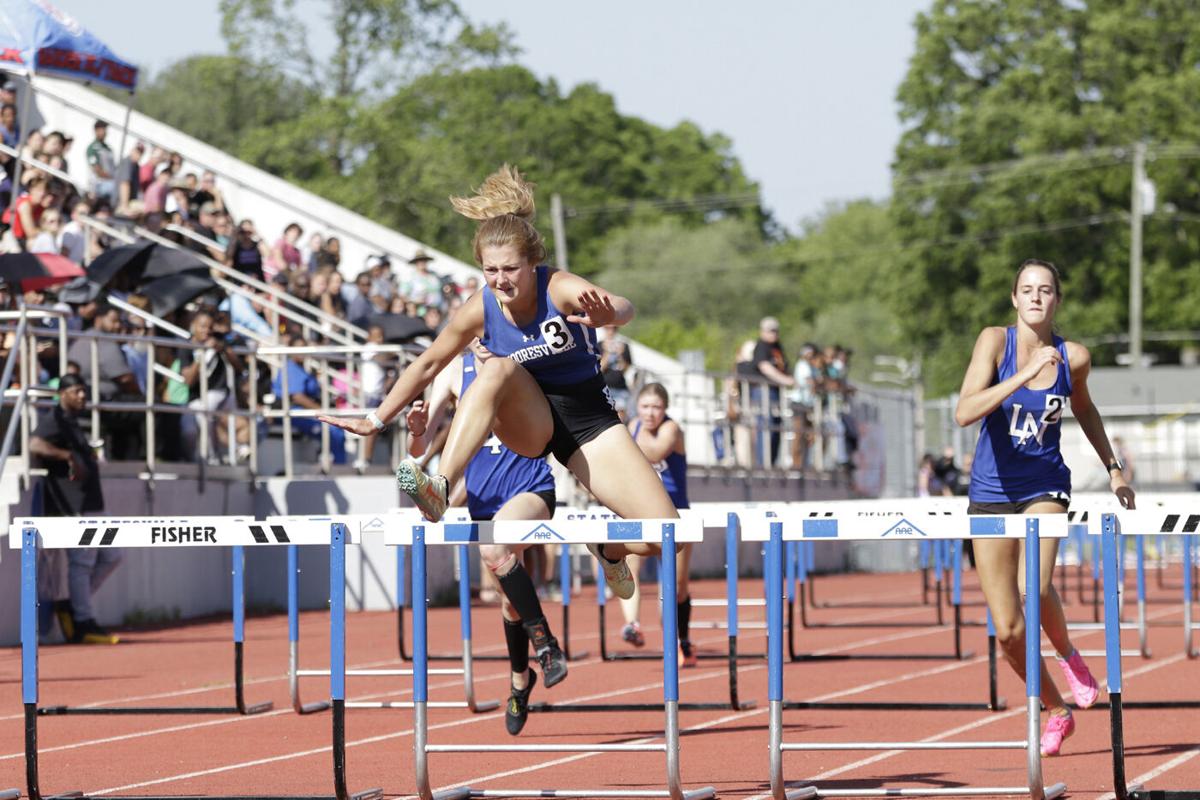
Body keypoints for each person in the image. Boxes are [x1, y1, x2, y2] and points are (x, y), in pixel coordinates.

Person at [320, 164, 678, 604]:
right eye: (490, 270)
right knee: (498, 369)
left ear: (533, 265)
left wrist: (611, 314)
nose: (501, 280)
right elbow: (430, 362)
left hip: (589, 423)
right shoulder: (481, 307)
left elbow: (623, 305)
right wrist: (376, 418)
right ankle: (440, 486)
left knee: (669, 536)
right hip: (528, 420)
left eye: (510, 269)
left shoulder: (558, 288)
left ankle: (608, 546)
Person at [955, 258, 1135, 757]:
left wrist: (1115, 468)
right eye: (1027, 289)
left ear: (1057, 300)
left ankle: (1068, 655)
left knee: (1032, 588)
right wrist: (1024, 374)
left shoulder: (1074, 356)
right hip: (990, 492)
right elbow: (965, 411)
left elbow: (1085, 408)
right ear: (1014, 299)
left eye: (1046, 289)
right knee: (1008, 632)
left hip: (1045, 488)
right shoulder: (995, 342)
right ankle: (1057, 710)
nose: (1036, 297)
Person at [407, 344, 566, 735]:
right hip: (484, 499)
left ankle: (545, 644)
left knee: (497, 547)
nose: (482, 338)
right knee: (510, 601)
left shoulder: (522, 362)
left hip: (530, 488)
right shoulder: (452, 373)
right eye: (474, 330)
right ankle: (519, 679)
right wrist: (415, 432)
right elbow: (419, 449)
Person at [29, 374, 120, 644]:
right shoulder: (54, 419)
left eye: (84, 391)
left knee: (113, 555)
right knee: (82, 562)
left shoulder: (72, 421)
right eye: (77, 391)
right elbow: (34, 443)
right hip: (74, 505)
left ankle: (71, 606)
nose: (82, 396)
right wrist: (67, 455)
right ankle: (82, 621)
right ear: (62, 393)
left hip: (92, 502)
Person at [623, 382, 697, 666]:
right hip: (642, 511)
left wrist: (619, 436)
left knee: (676, 584)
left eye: (656, 407)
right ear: (637, 407)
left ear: (665, 409)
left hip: (676, 515)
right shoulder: (631, 426)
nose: (651, 413)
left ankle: (681, 639)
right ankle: (634, 624)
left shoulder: (671, 429)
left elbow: (654, 453)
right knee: (630, 568)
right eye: (645, 407)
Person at [751, 317, 794, 468]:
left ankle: (772, 462)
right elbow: (764, 367)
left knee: (776, 426)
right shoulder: (762, 346)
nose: (773, 334)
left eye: (775, 330)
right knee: (766, 425)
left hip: (776, 393)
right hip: (764, 391)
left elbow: (785, 366)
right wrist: (785, 380)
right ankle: (763, 464)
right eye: (770, 330)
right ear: (762, 331)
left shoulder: (778, 347)